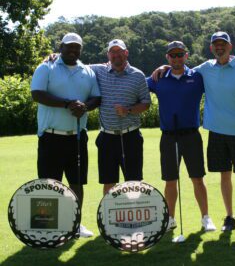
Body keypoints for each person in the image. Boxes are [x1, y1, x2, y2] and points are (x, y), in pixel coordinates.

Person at [152, 32, 235, 233]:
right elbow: (181, 69)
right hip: (216, 133)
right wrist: (164, 67)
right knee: (224, 176)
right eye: (216, 45)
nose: (219, 48)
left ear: (230, 46)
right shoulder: (205, 69)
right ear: (211, 48)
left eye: (223, 44)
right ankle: (229, 217)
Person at [31, 32, 101, 237]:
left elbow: (96, 97)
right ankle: (48, 227)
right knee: (50, 183)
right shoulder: (46, 66)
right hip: (51, 136)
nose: (73, 50)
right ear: (60, 47)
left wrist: (85, 107)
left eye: (76, 47)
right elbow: (37, 94)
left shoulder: (87, 71)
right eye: (69, 46)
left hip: (77, 136)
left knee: (77, 182)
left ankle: (75, 225)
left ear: (81, 49)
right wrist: (67, 104)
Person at [147, 41, 216, 232]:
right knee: (170, 180)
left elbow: (218, 70)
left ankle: (205, 218)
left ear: (186, 56)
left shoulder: (197, 77)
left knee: (197, 178)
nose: (176, 58)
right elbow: (135, 84)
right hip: (169, 137)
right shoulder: (158, 78)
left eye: (180, 54)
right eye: (172, 55)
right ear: (167, 57)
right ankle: (170, 219)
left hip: (191, 136)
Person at [90, 39, 151, 195]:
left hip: (131, 137)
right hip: (107, 137)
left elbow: (146, 103)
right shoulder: (99, 71)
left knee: (134, 182)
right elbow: (76, 67)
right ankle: (110, 218)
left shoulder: (138, 75)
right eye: (113, 52)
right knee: (108, 182)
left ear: (126, 53)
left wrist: (128, 110)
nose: (116, 55)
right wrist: (56, 55)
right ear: (108, 54)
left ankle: (135, 218)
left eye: (119, 51)